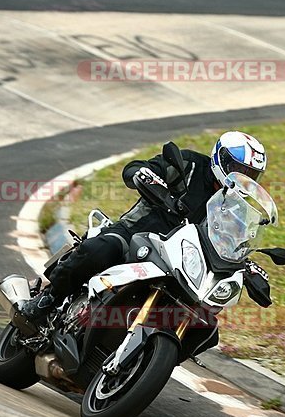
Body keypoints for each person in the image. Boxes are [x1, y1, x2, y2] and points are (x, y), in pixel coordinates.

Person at [19, 130, 268, 321]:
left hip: (183, 260)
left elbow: (235, 241)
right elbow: (136, 168)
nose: (242, 177)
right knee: (100, 250)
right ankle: (50, 299)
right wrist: (145, 175)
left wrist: (248, 265)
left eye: (250, 174)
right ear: (220, 158)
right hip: (136, 235)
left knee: (204, 318)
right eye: (237, 169)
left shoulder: (236, 205)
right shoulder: (190, 165)